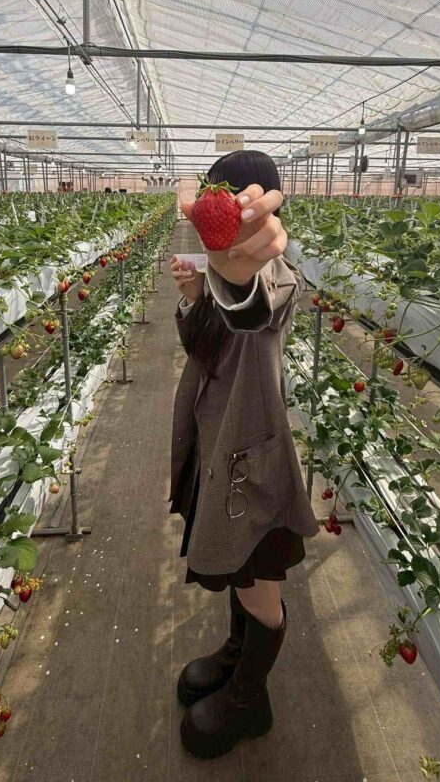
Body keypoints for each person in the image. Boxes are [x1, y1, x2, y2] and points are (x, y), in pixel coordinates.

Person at [169, 150, 318, 759]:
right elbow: (204, 347)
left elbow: (252, 308)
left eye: (229, 196)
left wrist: (232, 279)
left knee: (258, 583)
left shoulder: (274, 276)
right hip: (217, 444)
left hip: (250, 462)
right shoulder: (217, 270)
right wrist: (192, 295)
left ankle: (250, 699)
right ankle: (236, 656)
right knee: (241, 571)